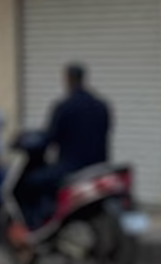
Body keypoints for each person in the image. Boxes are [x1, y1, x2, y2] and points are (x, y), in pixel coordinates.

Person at [22, 64, 111, 225]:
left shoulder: (65, 106)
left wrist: (30, 141)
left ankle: (41, 221)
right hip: (99, 166)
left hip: (71, 167)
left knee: (32, 181)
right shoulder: (101, 105)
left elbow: (50, 137)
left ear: (67, 79)